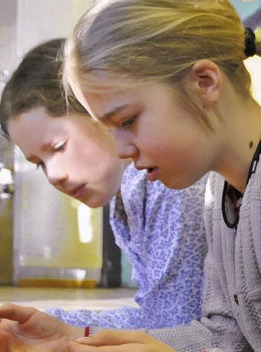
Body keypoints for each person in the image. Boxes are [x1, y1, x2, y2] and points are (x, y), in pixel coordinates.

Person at [0, 0, 261, 352]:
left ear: (204, 82)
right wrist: (84, 342)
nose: (119, 150)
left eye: (127, 121)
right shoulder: (218, 190)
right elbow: (223, 334)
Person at [0, 38, 208, 331]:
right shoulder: (126, 199)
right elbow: (156, 316)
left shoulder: (168, 182)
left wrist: (68, 332)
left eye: (58, 147)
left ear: (103, 112)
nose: (53, 176)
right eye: (40, 163)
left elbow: (174, 328)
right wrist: (50, 324)